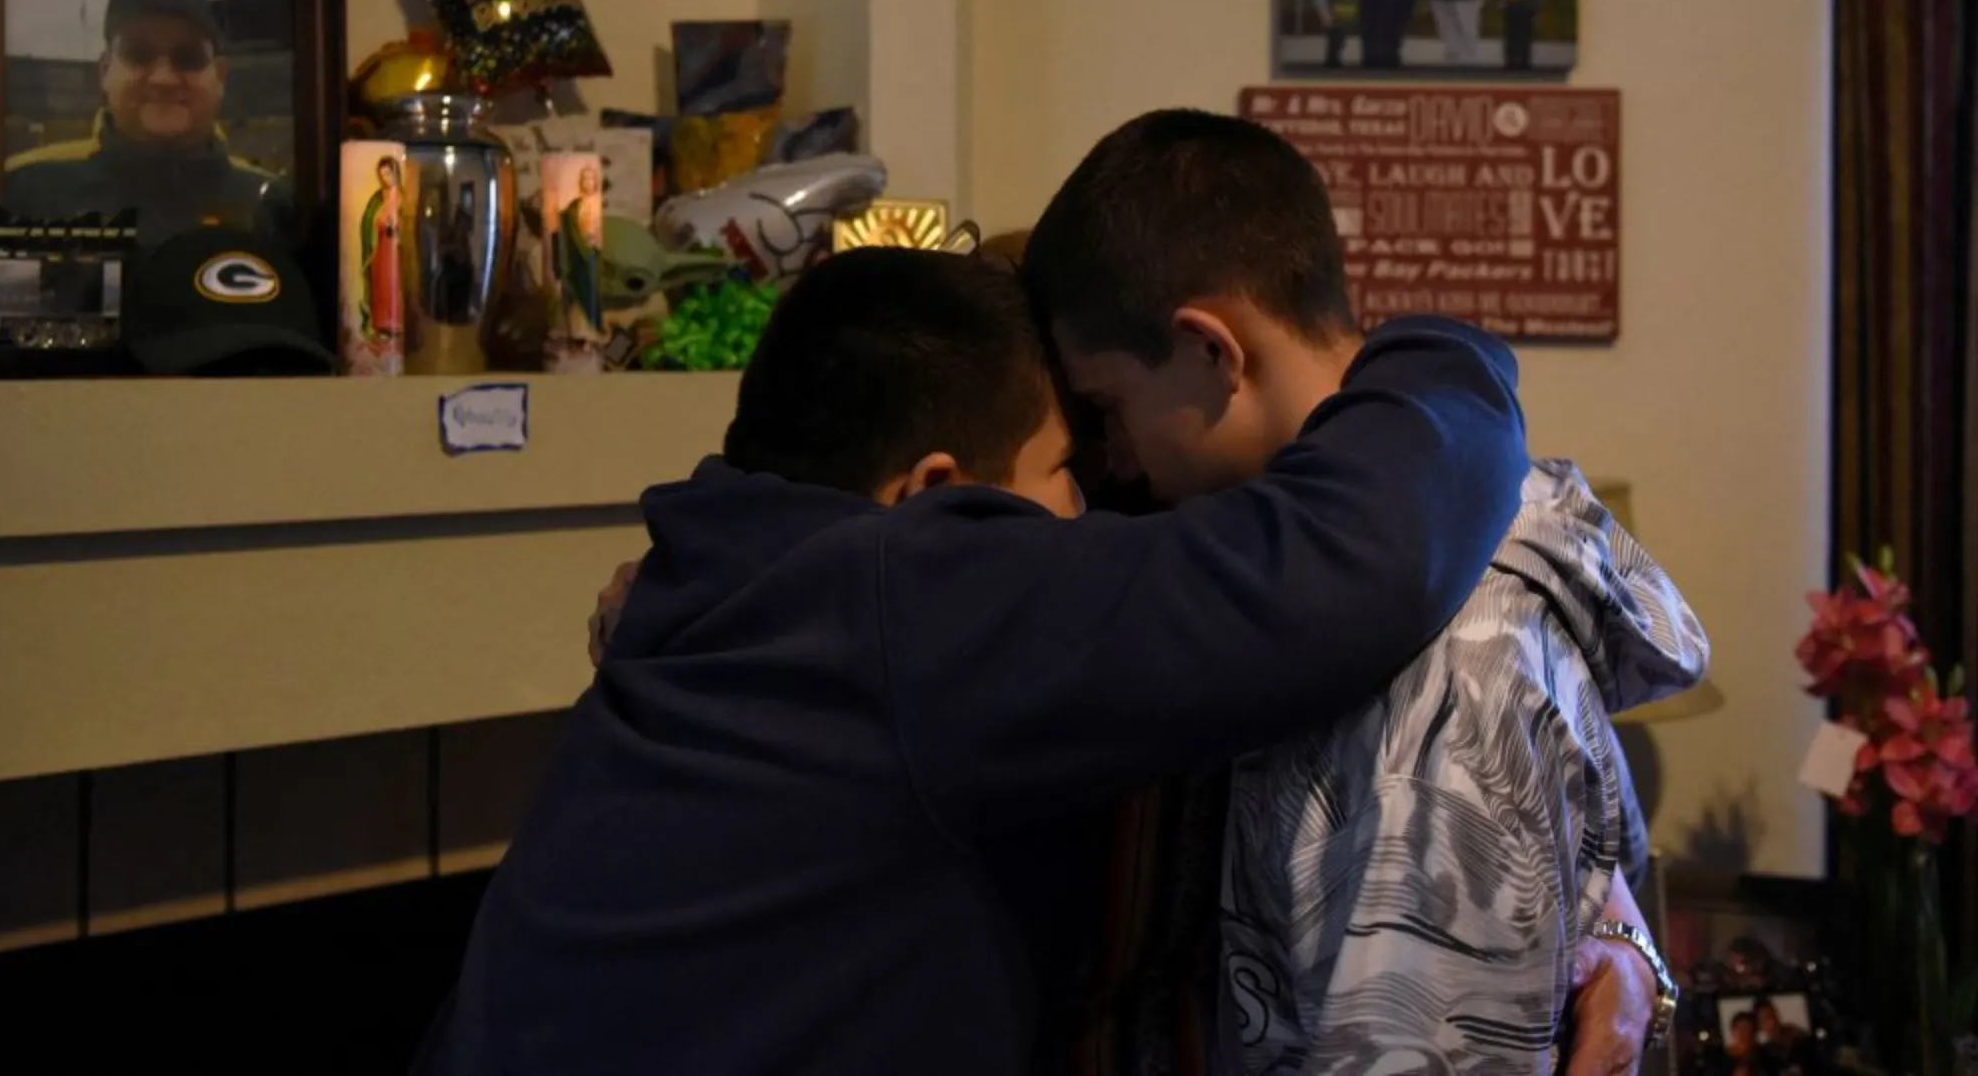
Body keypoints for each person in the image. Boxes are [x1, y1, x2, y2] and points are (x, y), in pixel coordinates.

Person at [416, 235, 1659, 1076]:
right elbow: (1351, 560)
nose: (1101, 501)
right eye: (1073, 464)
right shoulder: (910, 603)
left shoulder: (732, 570)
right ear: (934, 495)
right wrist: (1447, 350)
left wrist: (1603, 929)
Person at [1020, 110, 1702, 1074]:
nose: (1116, 459)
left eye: (1108, 409)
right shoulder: (1461, 527)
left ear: (1212, 351)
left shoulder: (1432, 664)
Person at [5, 0, 289, 241]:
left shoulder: (269, 201)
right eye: (138, 53)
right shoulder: (23, 189)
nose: (163, 79)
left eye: (188, 57)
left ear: (220, 76)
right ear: (105, 71)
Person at [361, 155, 403, 346]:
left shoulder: (403, 195)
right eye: (382, 175)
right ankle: (381, 325)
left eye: (389, 173)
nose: (386, 178)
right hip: (380, 248)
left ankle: (395, 324)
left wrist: (397, 225)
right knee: (380, 286)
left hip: (395, 248)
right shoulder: (378, 198)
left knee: (393, 286)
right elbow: (368, 220)